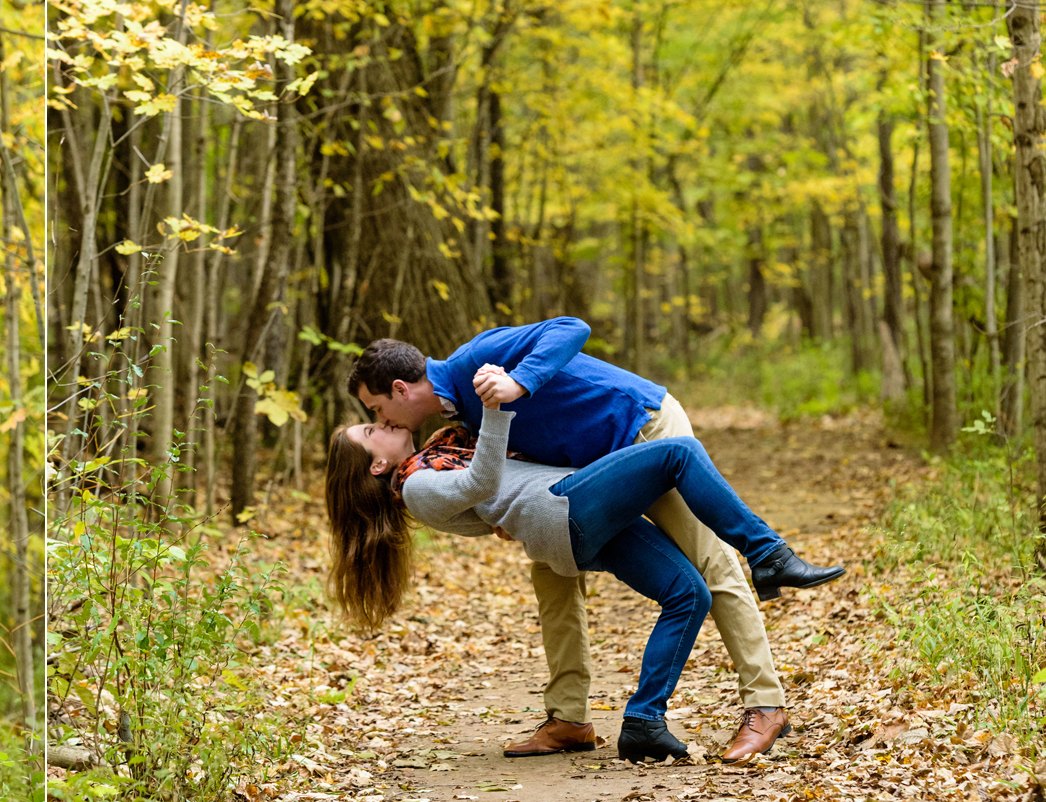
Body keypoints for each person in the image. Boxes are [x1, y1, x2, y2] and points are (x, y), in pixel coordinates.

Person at [348, 319, 827, 763]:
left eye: (377, 410)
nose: (383, 421)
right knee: (552, 571)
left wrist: (519, 382)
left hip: (639, 428)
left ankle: (766, 705)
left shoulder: (479, 359)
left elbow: (570, 329)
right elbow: (494, 469)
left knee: (711, 563)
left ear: (399, 389)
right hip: (591, 472)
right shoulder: (457, 423)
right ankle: (568, 719)